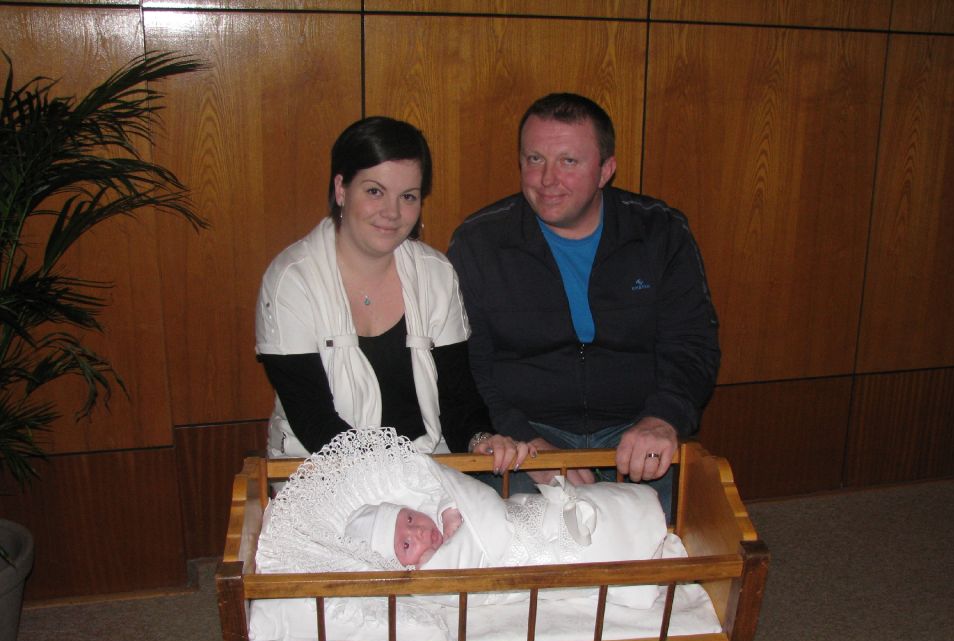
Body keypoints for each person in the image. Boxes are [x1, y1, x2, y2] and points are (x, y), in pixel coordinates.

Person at [446, 94, 720, 514]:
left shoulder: (660, 231)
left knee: (674, 531)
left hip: (637, 427)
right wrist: (524, 439)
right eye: (534, 159)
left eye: (568, 162)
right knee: (517, 536)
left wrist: (662, 418)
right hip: (525, 435)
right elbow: (470, 366)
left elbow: (693, 343)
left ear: (605, 170)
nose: (547, 180)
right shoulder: (479, 242)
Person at [255, 116, 530, 474]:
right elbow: (314, 422)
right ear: (341, 189)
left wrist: (481, 438)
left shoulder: (436, 273)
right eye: (374, 191)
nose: (392, 212)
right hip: (323, 474)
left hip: (427, 467)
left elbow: (458, 398)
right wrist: (400, 482)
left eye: (408, 197)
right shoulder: (291, 281)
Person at [344, 471, 669, 573]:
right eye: (406, 544)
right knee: (593, 547)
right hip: (527, 556)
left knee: (583, 509)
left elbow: (466, 493)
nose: (417, 531)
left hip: (524, 515)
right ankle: (639, 544)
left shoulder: (441, 510)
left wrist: (450, 512)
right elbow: (450, 587)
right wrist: (432, 564)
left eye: (409, 518)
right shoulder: (423, 574)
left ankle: (635, 513)